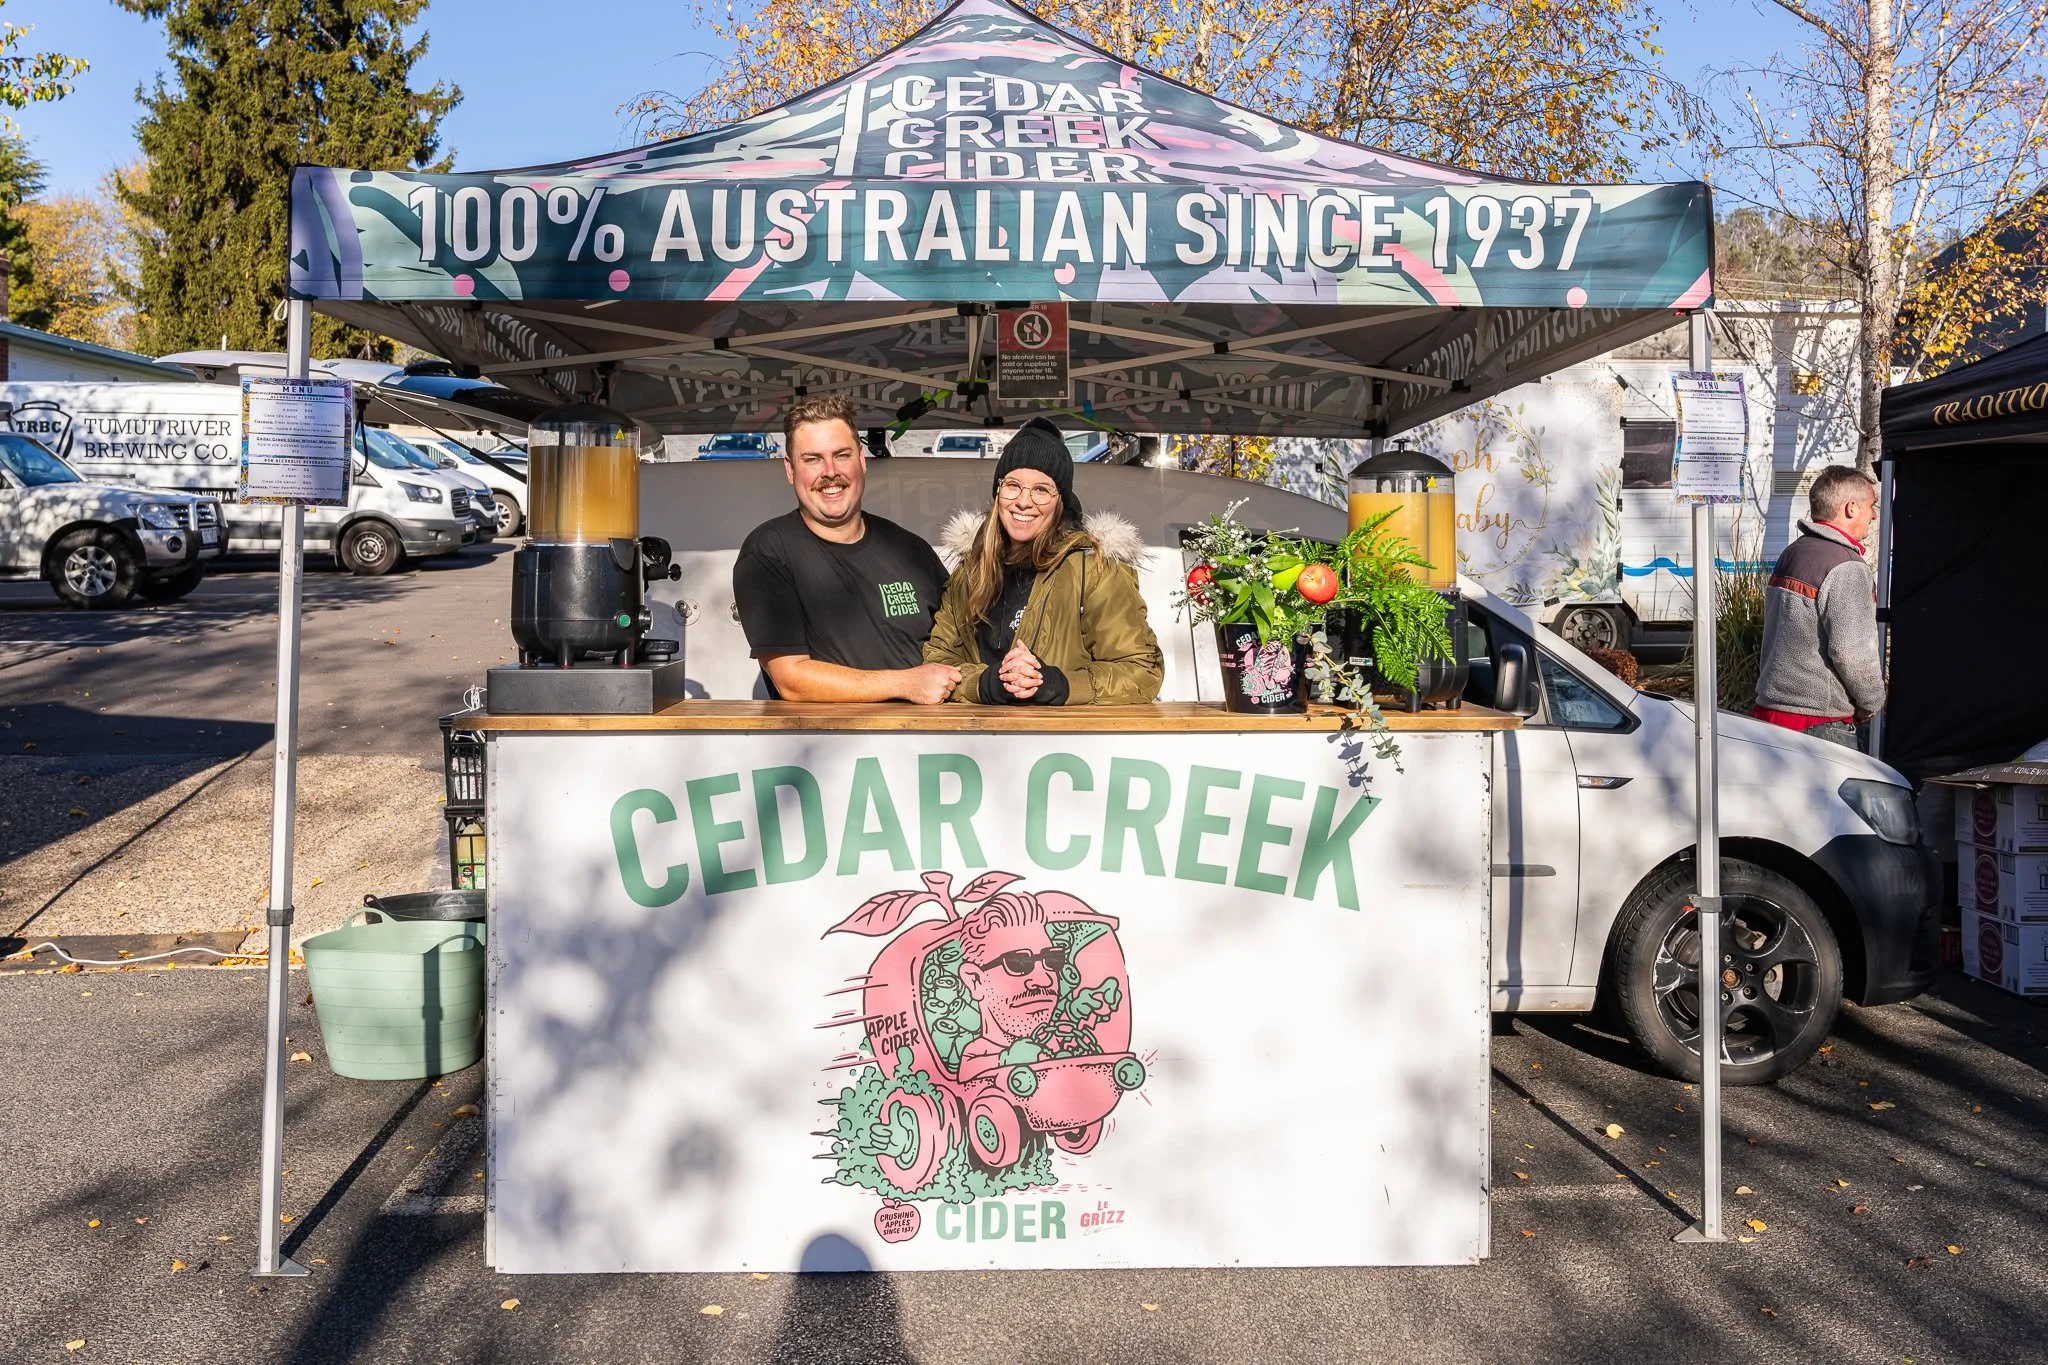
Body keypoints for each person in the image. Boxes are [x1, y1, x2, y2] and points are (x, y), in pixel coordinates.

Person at [732, 394, 959, 703]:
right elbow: (791, 680)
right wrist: (906, 684)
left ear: (861, 460)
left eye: (841, 455)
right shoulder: (768, 553)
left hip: (926, 734)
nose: (830, 471)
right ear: (790, 469)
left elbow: (959, 639)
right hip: (830, 735)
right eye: (812, 459)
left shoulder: (910, 549)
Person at [922, 419, 1163, 706]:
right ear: (998, 492)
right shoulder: (971, 571)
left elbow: (1141, 671)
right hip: (981, 734)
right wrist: (986, 684)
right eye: (1013, 485)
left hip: (1064, 734)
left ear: (1060, 500)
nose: (1024, 501)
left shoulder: (1093, 570)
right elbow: (938, 660)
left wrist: (1056, 684)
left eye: (1041, 489)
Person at [1753, 464, 1885, 747]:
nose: (1874, 515)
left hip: (1770, 713)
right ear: (1851, 508)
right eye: (1871, 505)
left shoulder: (1793, 552)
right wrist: (1872, 702)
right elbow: (1852, 652)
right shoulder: (1847, 565)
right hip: (1818, 723)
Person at [955, 892, 1062, 1082]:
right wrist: (1007, 1059)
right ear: (975, 981)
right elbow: (969, 1079)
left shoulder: (1058, 1042)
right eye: (1018, 963)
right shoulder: (976, 1054)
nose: (1044, 980)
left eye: (1052, 959)